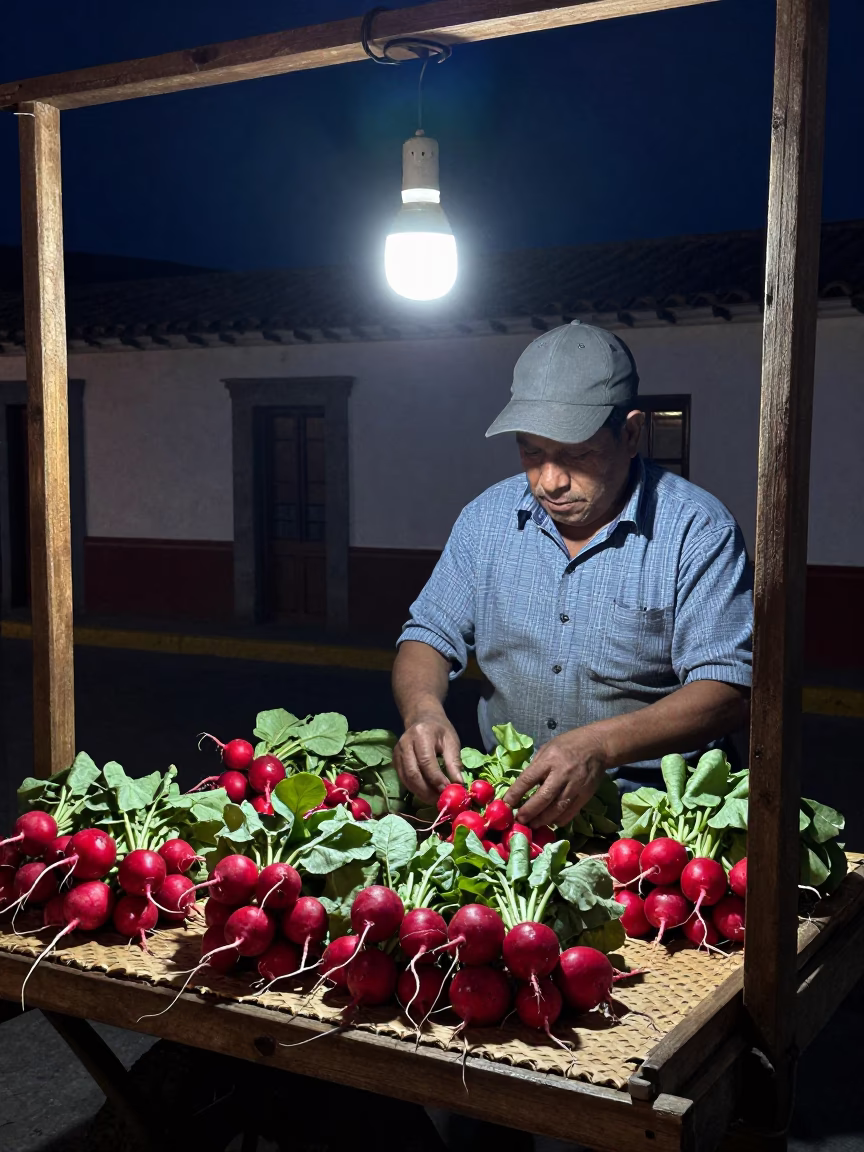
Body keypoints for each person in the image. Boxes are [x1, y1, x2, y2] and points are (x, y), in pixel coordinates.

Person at [392, 320, 752, 827]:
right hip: (509, 807)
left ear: (630, 433)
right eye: (532, 452)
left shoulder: (698, 530)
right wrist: (423, 711)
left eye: (578, 454)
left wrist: (600, 745)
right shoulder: (486, 519)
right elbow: (427, 635)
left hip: (654, 820)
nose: (550, 481)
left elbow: (728, 692)